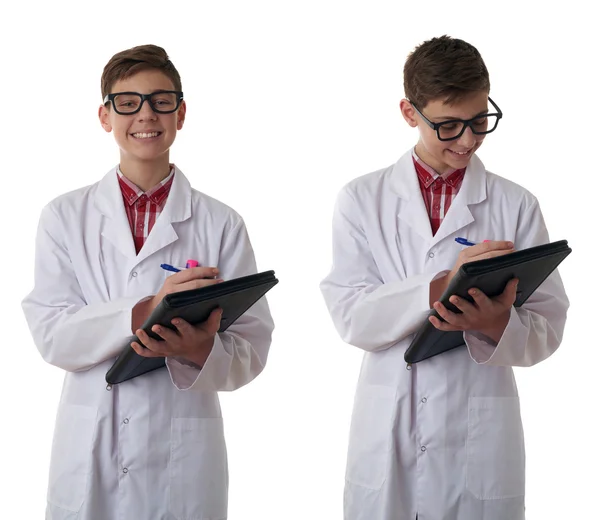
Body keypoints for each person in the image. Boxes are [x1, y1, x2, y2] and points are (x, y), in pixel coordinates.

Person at [320, 35, 569, 520]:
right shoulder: (360, 199)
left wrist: (500, 324)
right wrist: (437, 287)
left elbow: (549, 326)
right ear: (410, 113)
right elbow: (351, 317)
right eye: (449, 126)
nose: (468, 140)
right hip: (388, 422)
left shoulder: (516, 205)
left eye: (480, 122)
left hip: (478, 430)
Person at [21, 44, 274, 520]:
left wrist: (199, 349)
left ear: (181, 113)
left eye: (161, 101)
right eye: (128, 102)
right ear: (105, 116)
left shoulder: (221, 222)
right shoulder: (63, 217)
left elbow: (253, 349)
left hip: (180, 449)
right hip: (90, 438)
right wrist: (141, 312)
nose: (146, 115)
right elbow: (52, 337)